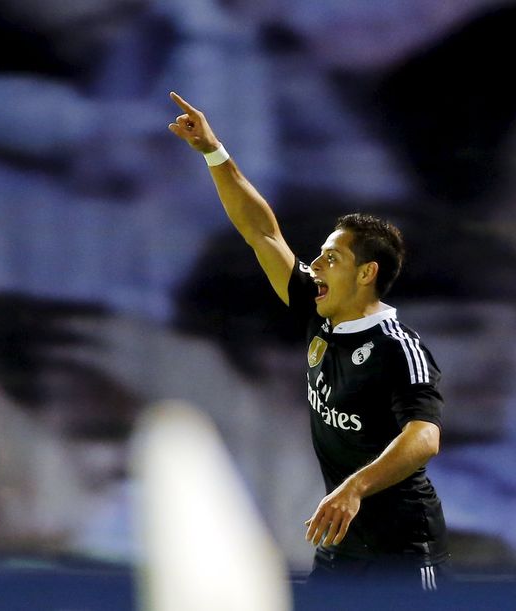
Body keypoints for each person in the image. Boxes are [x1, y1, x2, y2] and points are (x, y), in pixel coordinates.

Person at [167, 91, 449, 590]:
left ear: (367, 273)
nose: (315, 265)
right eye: (318, 255)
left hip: (403, 549)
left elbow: (425, 437)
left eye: (331, 258)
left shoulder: (397, 347)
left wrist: (354, 488)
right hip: (342, 541)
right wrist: (214, 152)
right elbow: (262, 232)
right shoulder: (319, 315)